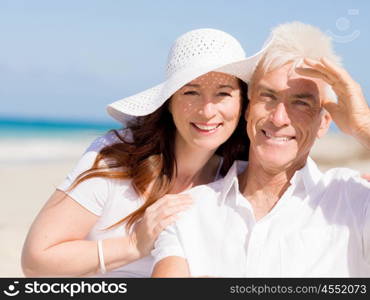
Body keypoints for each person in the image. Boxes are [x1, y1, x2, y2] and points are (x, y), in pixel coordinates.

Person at [21, 28, 271, 277]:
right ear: (169, 103)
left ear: (242, 104)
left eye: (223, 93)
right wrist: (134, 245)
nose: (207, 111)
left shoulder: (241, 179)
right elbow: (36, 262)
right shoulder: (116, 158)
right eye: (191, 92)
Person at [151, 22, 370, 277]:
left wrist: (363, 125)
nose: (278, 118)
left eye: (300, 102)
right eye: (268, 97)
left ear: (323, 123)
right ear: (247, 110)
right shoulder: (189, 211)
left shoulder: (355, 200)